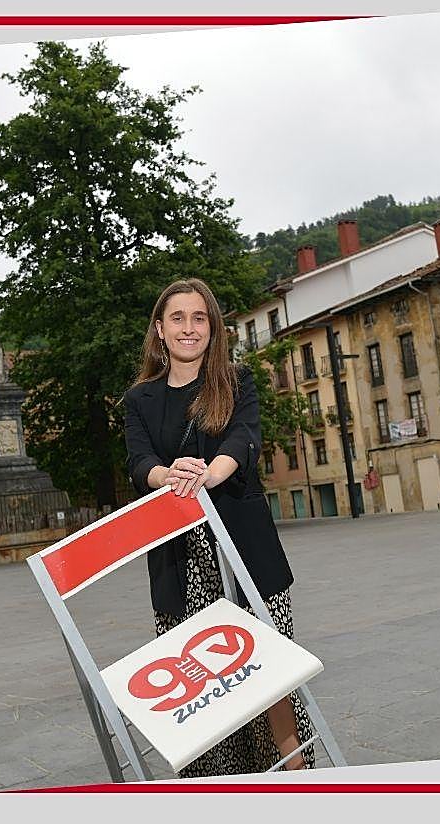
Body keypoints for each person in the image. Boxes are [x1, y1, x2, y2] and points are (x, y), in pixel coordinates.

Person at [122, 277, 315, 778]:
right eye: (178, 318)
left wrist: (209, 474)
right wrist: (170, 476)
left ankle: (300, 783)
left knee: (272, 678)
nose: (189, 328)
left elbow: (244, 438)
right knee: (203, 693)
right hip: (179, 561)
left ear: (212, 328)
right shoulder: (139, 400)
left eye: (199, 318)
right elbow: (139, 460)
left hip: (245, 551)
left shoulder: (236, 381)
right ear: (159, 331)